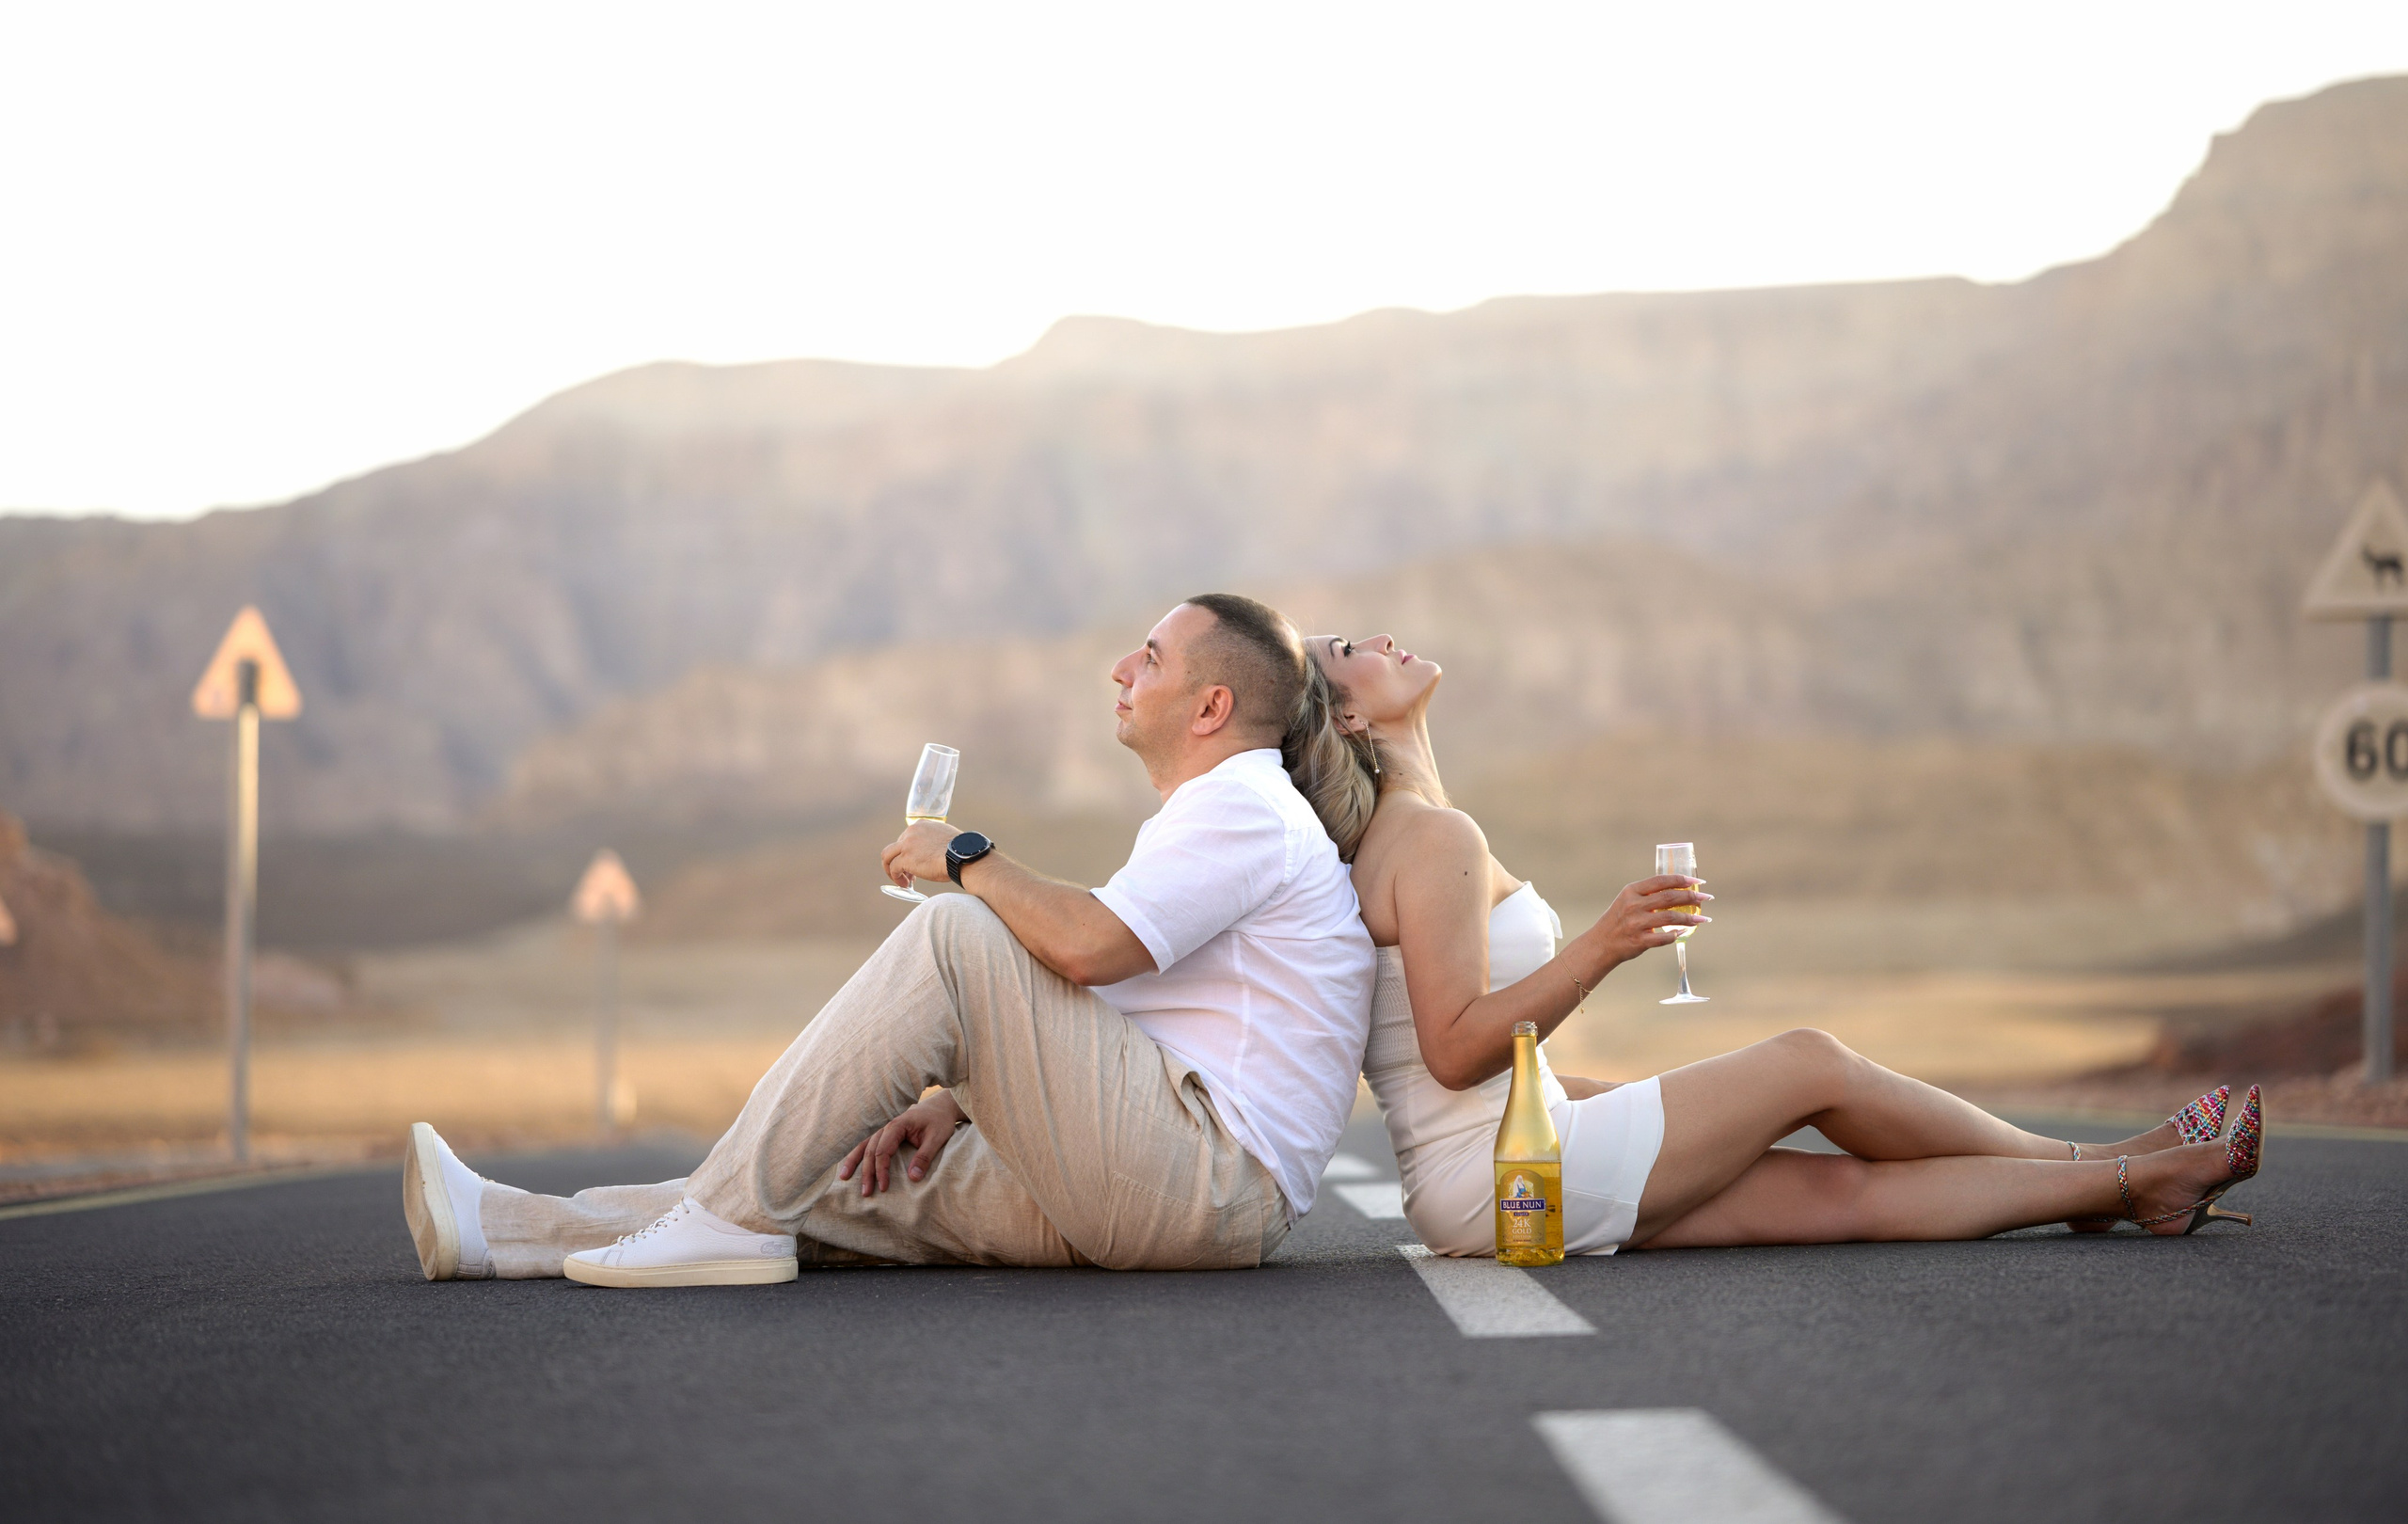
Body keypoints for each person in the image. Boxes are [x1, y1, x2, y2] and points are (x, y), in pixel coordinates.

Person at [400, 594, 1374, 1284]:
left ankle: (724, 1224)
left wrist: (968, 858)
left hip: (1202, 1181)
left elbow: (1088, 949)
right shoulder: (1217, 814)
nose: (1120, 670)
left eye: (1151, 658)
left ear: (1212, 707)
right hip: (1153, 1179)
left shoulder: (1246, 804)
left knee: (957, 934)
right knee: (811, 1174)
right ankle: (498, 1230)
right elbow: (1128, 996)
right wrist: (957, 1099)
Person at [1285, 629, 2262, 1257]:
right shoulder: (1431, 837)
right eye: (1348, 649)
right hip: (1507, 1175)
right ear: (1350, 714)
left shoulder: (1413, 833)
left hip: (1491, 1176)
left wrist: (1592, 1090)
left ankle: (2118, 1183)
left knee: (1844, 1195)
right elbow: (1455, 1051)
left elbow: (1433, 1064)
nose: (1380, 636)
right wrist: (1604, 945)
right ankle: (2106, 1168)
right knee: (1810, 1061)